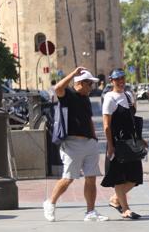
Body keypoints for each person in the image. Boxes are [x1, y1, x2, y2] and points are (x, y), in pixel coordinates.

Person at [43, 67, 108, 222]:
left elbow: (89, 119)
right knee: (68, 178)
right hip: (72, 144)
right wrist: (72, 73)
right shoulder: (68, 94)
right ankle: (50, 203)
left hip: (89, 142)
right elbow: (57, 88)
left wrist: (94, 138)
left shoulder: (86, 98)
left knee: (91, 178)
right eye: (89, 84)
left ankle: (90, 212)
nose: (91, 87)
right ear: (80, 83)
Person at [102, 68, 148, 220]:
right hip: (117, 143)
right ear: (111, 81)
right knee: (118, 177)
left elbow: (133, 121)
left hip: (131, 142)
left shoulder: (129, 95)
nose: (121, 81)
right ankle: (125, 209)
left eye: (122, 78)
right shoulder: (110, 98)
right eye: (117, 79)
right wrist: (110, 145)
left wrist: (140, 138)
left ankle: (115, 199)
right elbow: (107, 126)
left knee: (135, 177)